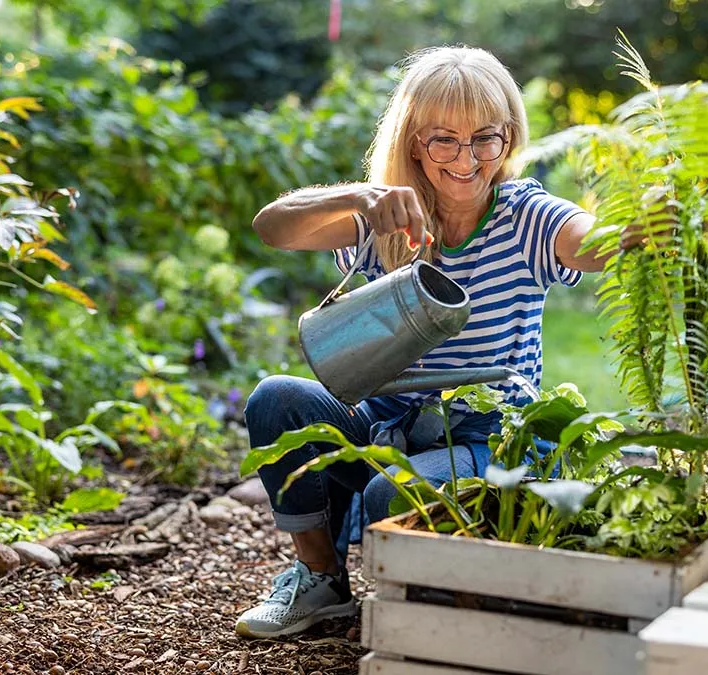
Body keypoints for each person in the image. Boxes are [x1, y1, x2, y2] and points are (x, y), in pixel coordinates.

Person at [235, 46, 638, 639]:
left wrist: (638, 227)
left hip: (484, 435)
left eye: (485, 138)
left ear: (509, 138)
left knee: (386, 494)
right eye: (444, 139)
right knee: (276, 399)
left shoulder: (525, 215)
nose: (466, 158)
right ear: (415, 141)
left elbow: (587, 242)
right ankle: (320, 579)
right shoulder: (389, 216)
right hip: (387, 420)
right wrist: (360, 198)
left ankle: (444, 603)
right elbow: (272, 227)